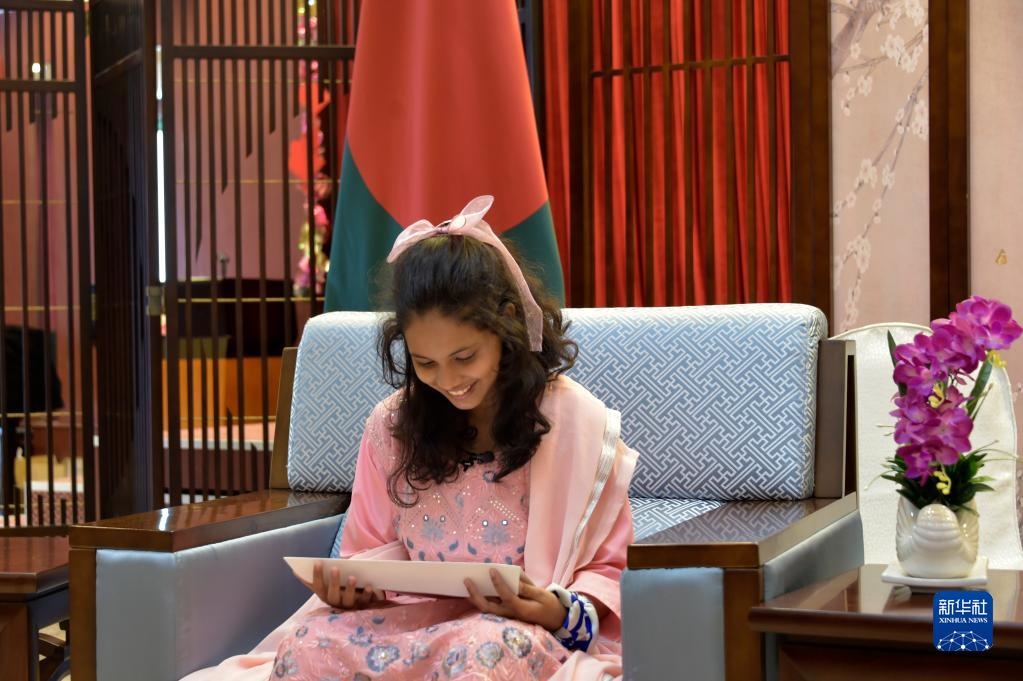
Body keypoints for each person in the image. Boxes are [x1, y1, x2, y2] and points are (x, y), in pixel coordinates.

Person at [183, 196, 637, 680]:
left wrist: (552, 608)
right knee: (307, 645)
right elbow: (365, 552)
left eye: (464, 357)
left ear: (506, 322)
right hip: (407, 622)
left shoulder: (571, 421)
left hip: (516, 631)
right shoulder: (392, 425)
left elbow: (609, 571)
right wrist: (351, 589)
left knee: (481, 655)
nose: (449, 380)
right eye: (426, 363)